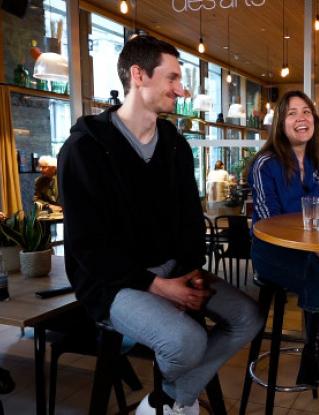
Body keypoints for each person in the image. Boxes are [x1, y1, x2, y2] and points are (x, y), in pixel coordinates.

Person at [58, 35, 263, 415]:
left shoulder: (174, 145)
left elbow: (188, 221)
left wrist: (188, 272)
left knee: (247, 317)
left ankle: (167, 399)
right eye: (171, 78)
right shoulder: (85, 149)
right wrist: (157, 286)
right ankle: (175, 400)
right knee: (187, 341)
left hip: (172, 269)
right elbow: (88, 247)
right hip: (112, 284)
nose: (180, 89)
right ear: (138, 75)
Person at [248, 90, 319, 387]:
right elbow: (269, 224)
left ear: (314, 121)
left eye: (306, 111)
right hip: (272, 253)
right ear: (280, 123)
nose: (301, 118)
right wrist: (317, 249)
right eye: (292, 113)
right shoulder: (266, 163)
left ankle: (317, 356)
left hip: (317, 253)